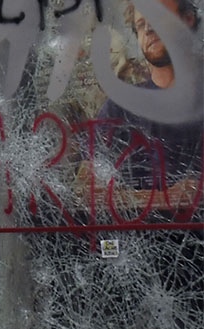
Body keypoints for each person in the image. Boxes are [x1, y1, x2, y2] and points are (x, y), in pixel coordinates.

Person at [86, 0, 202, 211]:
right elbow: (88, 188)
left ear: (187, 20)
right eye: (140, 24)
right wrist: (163, 199)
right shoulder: (120, 107)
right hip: (139, 237)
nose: (149, 29)